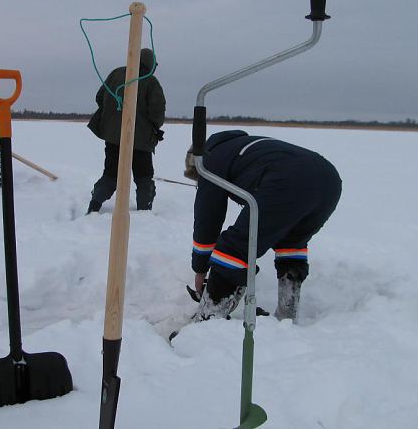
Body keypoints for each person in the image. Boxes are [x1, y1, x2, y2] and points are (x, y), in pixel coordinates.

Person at [184, 130, 342, 322]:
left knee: (235, 248)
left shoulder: (210, 161)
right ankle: (287, 314)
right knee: (291, 242)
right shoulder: (243, 147)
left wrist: (200, 267)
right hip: (329, 180)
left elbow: (208, 217)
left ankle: (208, 318)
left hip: (287, 180)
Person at [87, 48, 166, 213]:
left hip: (113, 137)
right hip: (141, 141)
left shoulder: (116, 74)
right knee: (144, 177)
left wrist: (113, 117)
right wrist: (154, 128)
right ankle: (144, 212)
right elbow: (157, 112)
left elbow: (100, 97)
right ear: (149, 64)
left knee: (110, 174)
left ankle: (94, 205)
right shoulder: (150, 82)